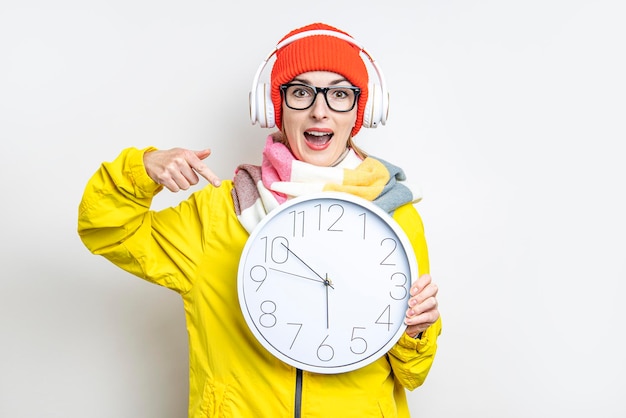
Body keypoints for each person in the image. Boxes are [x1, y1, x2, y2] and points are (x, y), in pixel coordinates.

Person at [78, 22, 441, 418]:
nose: (320, 110)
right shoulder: (218, 215)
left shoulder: (397, 218)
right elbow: (107, 229)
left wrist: (416, 331)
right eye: (301, 92)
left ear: (360, 109)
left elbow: (413, 374)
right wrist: (143, 168)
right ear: (274, 107)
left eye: (339, 94)